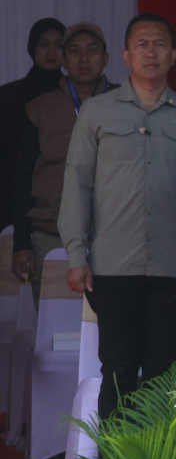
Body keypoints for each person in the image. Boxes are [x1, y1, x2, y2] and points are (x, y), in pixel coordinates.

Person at [59, 13, 176, 419]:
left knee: (165, 373)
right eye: (142, 45)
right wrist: (76, 255)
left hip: (175, 266)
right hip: (113, 265)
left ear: (174, 55)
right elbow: (77, 186)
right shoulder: (97, 113)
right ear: (126, 55)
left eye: (160, 44)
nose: (151, 52)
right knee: (118, 370)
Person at [12, 23, 117, 302]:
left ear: (106, 58)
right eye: (74, 51)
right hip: (50, 235)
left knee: (113, 324)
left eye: (92, 50)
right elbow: (22, 177)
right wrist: (21, 244)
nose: (84, 59)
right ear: (64, 59)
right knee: (56, 326)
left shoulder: (125, 104)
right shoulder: (39, 107)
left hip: (114, 238)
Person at [1, 18, 65, 232]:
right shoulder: (7, 96)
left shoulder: (76, 96)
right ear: (32, 49)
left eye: (59, 45)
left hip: (58, 206)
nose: (51, 52)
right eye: (44, 44)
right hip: (9, 201)